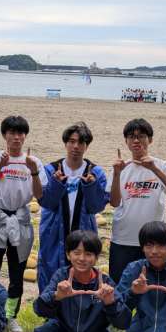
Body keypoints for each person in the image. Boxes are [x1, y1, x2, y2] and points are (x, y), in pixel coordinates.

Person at [29, 230, 130, 332]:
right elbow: (39, 309)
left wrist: (110, 302)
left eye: (88, 254)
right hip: (63, 329)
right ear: (68, 254)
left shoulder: (106, 284)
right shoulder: (61, 276)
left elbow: (123, 323)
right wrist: (56, 296)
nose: (82, 258)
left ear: (96, 257)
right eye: (77, 253)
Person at [0, 115, 46, 332]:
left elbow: (39, 194)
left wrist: (33, 171)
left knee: (17, 272)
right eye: (12, 133)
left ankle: (10, 315)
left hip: (21, 218)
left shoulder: (33, 161)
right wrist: (0, 166)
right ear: (4, 135)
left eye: (20, 133)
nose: (16, 137)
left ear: (25, 136)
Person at [108, 118, 166, 284]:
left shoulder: (162, 166)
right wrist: (117, 174)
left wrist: (154, 169)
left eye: (141, 136)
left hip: (155, 242)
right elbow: (114, 202)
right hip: (123, 238)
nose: (136, 140)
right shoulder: (120, 168)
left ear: (150, 140)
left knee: (155, 287)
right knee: (120, 287)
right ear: (126, 142)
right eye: (131, 136)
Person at [38, 122, 109, 291]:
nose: (76, 146)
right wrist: (56, 183)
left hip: (84, 229)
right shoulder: (50, 170)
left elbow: (96, 207)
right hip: (53, 231)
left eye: (81, 142)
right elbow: (46, 202)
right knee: (50, 271)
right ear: (65, 143)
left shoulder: (95, 172)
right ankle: (49, 306)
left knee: (81, 271)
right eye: (71, 141)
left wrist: (91, 186)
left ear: (86, 146)